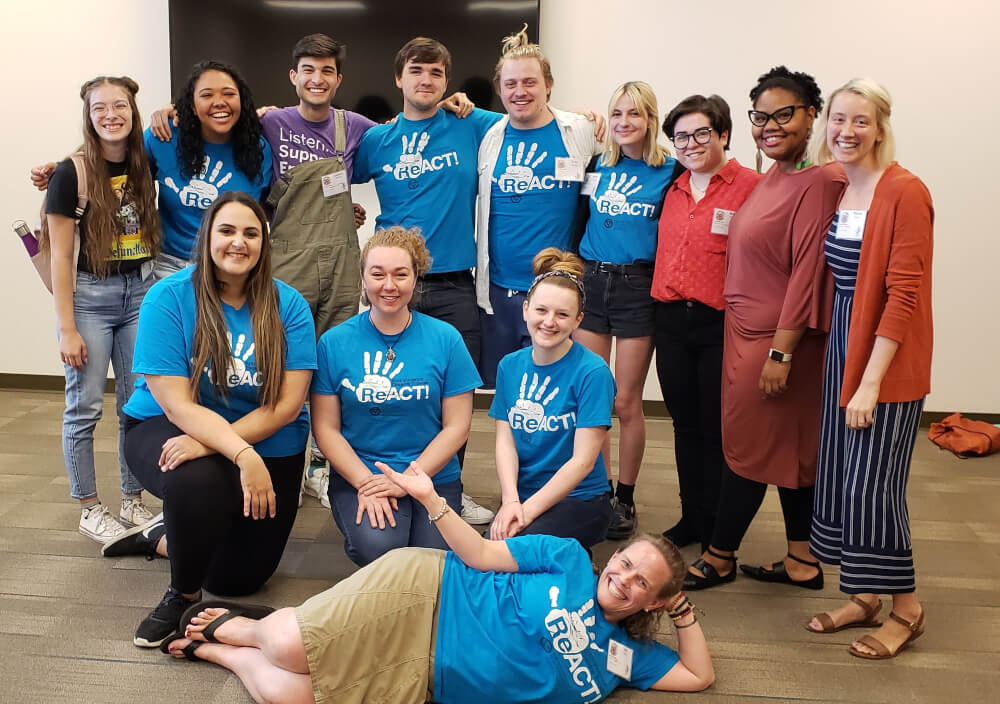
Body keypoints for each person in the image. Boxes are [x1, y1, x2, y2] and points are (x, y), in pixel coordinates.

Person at [162, 462, 715, 703]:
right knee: (286, 646)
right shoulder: (568, 560)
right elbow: (479, 552)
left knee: (291, 695)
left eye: (641, 582)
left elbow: (698, 676)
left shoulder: (629, 658)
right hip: (428, 595)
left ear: (656, 601)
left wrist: (682, 609)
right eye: (624, 562)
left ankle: (222, 651)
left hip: (429, 677)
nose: (622, 578)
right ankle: (251, 629)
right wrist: (431, 500)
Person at [106, 191, 316, 648]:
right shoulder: (168, 297)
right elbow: (177, 406)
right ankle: (182, 595)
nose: (238, 242)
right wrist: (240, 453)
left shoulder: (289, 305)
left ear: (264, 243)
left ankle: (161, 535)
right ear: (206, 238)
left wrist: (219, 443)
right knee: (197, 482)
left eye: (251, 233)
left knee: (238, 580)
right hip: (168, 427)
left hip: (266, 438)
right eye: (227, 230)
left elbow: (286, 406)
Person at [683, 67, 846, 591]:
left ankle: (720, 555)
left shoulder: (821, 181)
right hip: (747, 333)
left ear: (811, 115)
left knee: (749, 453)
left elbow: (809, 272)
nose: (769, 126)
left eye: (784, 114)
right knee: (785, 450)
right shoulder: (777, 174)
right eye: (760, 116)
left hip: (776, 340)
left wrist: (782, 352)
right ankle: (802, 561)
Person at [351, 36, 503, 525]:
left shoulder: (472, 124)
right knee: (391, 388)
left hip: (455, 284)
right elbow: (320, 168)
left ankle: (448, 490)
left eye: (437, 72)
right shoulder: (376, 140)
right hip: (394, 286)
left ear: (447, 82)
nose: (427, 80)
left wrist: (583, 120)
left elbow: (530, 119)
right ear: (399, 78)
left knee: (454, 394)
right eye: (417, 70)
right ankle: (382, 478)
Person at [805, 79, 933, 660]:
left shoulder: (906, 191)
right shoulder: (842, 185)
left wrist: (871, 382)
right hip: (843, 352)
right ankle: (864, 595)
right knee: (842, 478)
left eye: (861, 121)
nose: (846, 131)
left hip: (886, 364)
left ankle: (908, 609)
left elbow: (903, 295)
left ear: (881, 128)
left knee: (873, 488)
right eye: (838, 119)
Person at [311, 227, 482, 566]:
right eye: (378, 274)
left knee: (433, 559)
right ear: (363, 277)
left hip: (431, 475)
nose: (389, 285)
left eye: (400, 274)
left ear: (416, 277)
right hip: (363, 473)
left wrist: (410, 480)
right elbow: (326, 429)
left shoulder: (446, 339)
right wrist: (365, 482)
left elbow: (457, 427)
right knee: (381, 548)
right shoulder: (333, 343)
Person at [42, 75, 161, 542]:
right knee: (85, 406)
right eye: (100, 108)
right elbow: (60, 256)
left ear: (133, 111)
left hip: (140, 293)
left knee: (136, 405)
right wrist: (67, 327)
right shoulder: (70, 174)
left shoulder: (145, 161)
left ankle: (133, 499)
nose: (111, 115)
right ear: (88, 117)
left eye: (120, 106)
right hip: (90, 297)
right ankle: (89, 506)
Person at [653, 94, 761, 551]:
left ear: (723, 134)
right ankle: (692, 517)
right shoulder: (672, 186)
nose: (691, 144)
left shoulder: (751, 187)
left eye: (701, 133)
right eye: (681, 137)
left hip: (721, 324)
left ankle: (719, 528)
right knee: (684, 425)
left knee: (717, 428)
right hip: (670, 321)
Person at [573, 81, 680, 540]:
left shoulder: (670, 171)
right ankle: (597, 489)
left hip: (639, 286)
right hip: (593, 282)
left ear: (651, 119)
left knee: (625, 401)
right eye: (616, 113)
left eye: (634, 114)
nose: (624, 122)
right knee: (594, 397)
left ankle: (626, 496)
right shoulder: (597, 164)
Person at [476, 25, 604, 389]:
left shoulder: (579, 131)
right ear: (500, 89)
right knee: (505, 393)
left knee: (559, 392)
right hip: (499, 294)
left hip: (560, 292)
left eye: (530, 82)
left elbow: (618, 159)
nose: (520, 92)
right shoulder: (488, 135)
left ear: (548, 85)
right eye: (511, 84)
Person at [489, 248, 615, 549]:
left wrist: (525, 513)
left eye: (562, 314)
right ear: (525, 309)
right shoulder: (509, 366)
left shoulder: (593, 372)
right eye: (541, 310)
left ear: (578, 320)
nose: (549, 322)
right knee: (489, 552)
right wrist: (511, 501)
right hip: (524, 495)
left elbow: (583, 462)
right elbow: (505, 443)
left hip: (581, 499)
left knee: (508, 551)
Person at [146, 60, 272, 277]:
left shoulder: (260, 149)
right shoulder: (163, 136)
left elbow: (267, 210)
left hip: (233, 265)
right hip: (171, 266)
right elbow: (122, 174)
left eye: (229, 94)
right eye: (206, 95)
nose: (219, 102)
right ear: (192, 106)